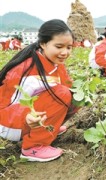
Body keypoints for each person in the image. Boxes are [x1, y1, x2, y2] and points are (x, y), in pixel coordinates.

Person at [0, 19, 79, 162]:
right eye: (59, 46)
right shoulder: (25, 70)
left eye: (69, 47)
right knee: (61, 94)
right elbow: (4, 107)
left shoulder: (54, 62)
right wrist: (25, 117)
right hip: (8, 123)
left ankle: (49, 129)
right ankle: (32, 147)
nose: (65, 52)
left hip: (30, 117)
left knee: (76, 96)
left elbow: (68, 85)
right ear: (43, 43)